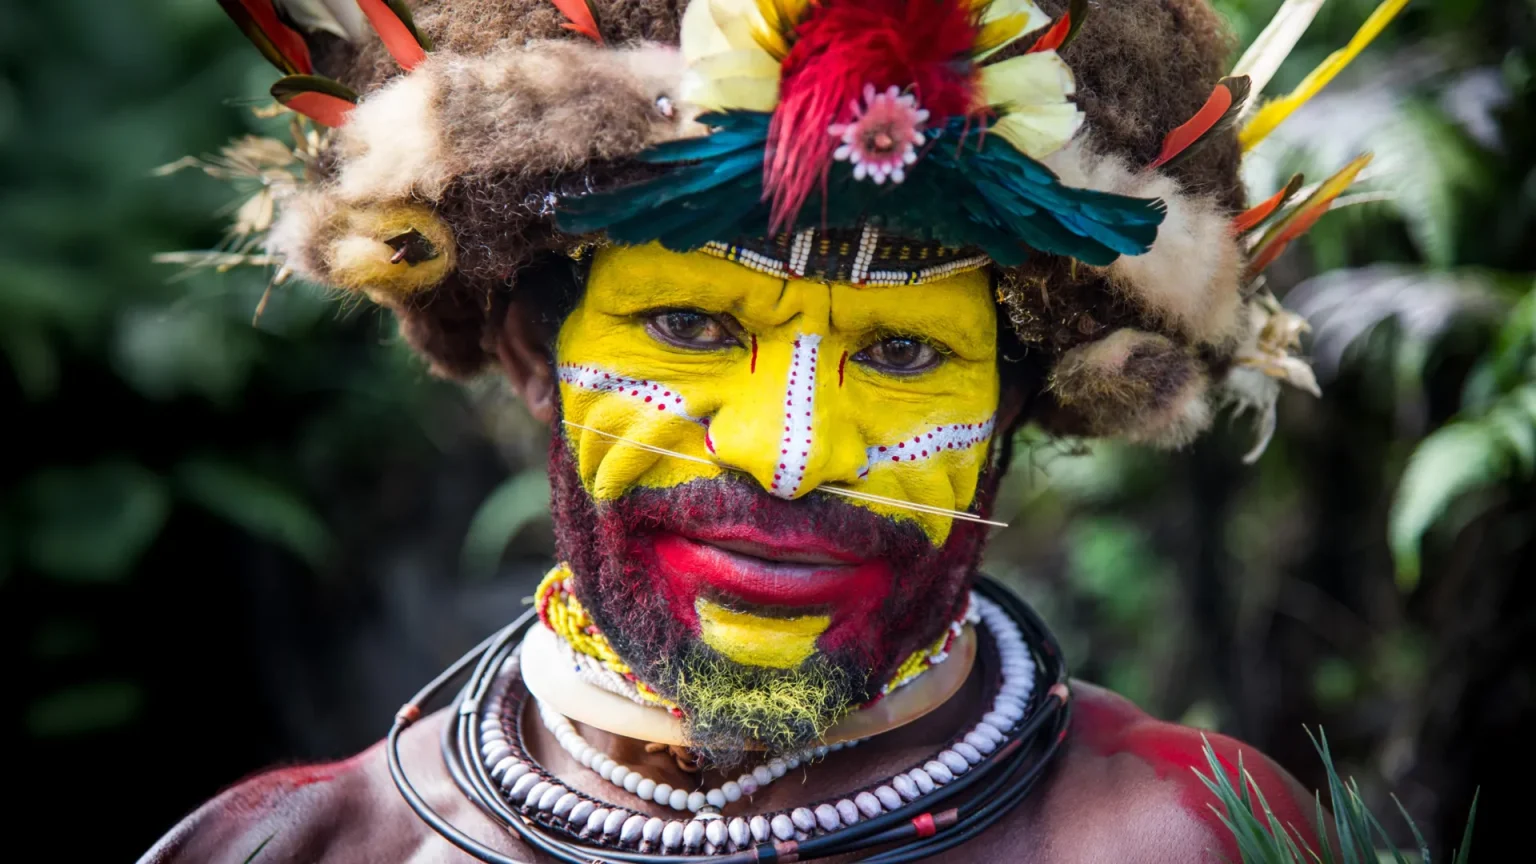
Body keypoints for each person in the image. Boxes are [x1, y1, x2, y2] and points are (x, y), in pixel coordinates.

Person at [142, 0, 1401, 860]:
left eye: (902, 354)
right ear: (534, 350)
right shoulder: (302, 849)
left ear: (1017, 401)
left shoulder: (1183, 838)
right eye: (689, 327)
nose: (787, 454)